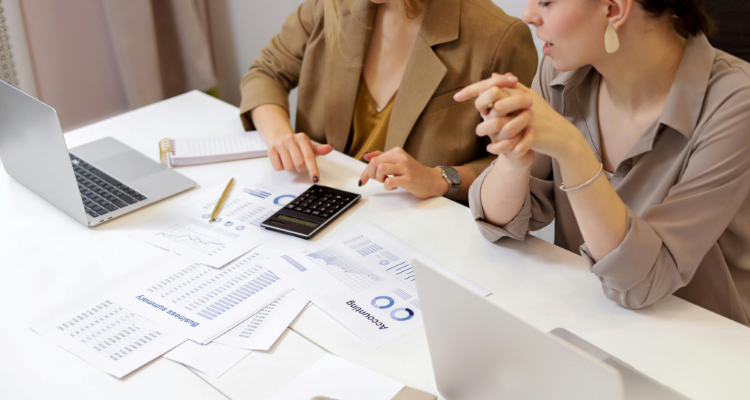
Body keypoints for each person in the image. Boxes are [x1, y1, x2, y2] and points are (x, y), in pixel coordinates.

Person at [455, 0, 750, 324]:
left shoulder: (736, 103)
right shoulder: (561, 70)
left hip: (702, 342)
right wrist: (513, 158)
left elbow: (644, 283)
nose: (528, 15)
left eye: (547, 2)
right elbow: (498, 225)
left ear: (613, 9)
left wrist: (572, 149)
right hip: (589, 318)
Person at [240, 0, 537, 200]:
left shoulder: (498, 36)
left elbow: (521, 162)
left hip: (421, 235)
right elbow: (266, 74)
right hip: (317, 202)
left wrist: (441, 178)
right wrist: (282, 138)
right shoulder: (329, 6)